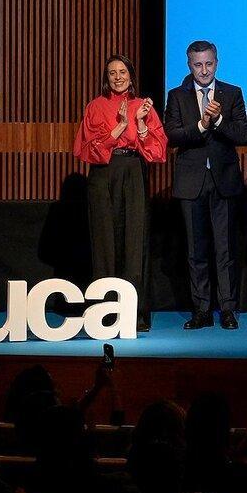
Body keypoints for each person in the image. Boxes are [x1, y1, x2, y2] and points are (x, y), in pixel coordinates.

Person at [72, 54, 166, 332]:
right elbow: (88, 149)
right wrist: (120, 127)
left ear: (131, 75)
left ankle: (134, 314)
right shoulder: (96, 106)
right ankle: (105, 312)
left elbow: (158, 151)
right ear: (106, 77)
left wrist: (140, 123)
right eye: (112, 73)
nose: (117, 77)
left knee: (135, 241)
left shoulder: (143, 106)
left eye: (122, 72)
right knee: (104, 241)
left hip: (133, 172)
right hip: (103, 174)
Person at [164, 40, 247, 331]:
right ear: (189, 65)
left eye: (209, 64)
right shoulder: (177, 96)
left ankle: (227, 309)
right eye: (198, 65)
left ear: (217, 62)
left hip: (224, 182)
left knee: (225, 250)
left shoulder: (232, 93)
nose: (204, 70)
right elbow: (172, 136)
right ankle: (201, 310)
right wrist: (202, 125)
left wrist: (219, 120)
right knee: (196, 251)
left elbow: (243, 134)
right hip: (191, 184)